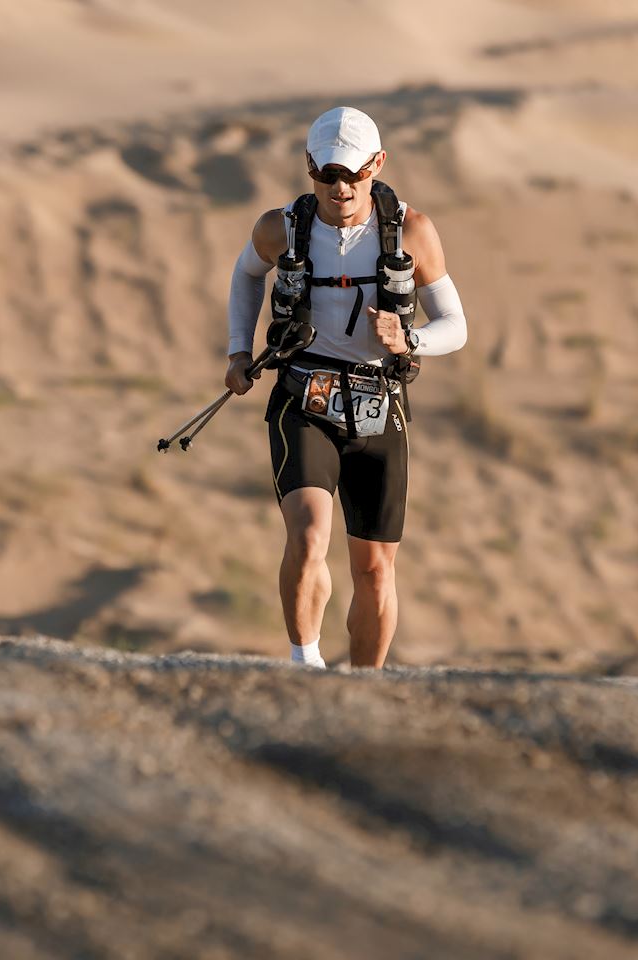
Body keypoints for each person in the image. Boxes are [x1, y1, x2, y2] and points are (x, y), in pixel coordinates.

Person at [224, 106, 468, 669]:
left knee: (375, 570)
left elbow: (455, 326)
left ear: (378, 165)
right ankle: (305, 665)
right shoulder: (279, 227)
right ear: (309, 168)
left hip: (380, 404)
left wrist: (408, 338)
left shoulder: (411, 231)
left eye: (353, 175)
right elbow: (246, 274)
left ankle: (363, 692)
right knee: (309, 538)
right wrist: (238, 351)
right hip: (303, 397)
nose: (340, 188)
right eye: (326, 175)